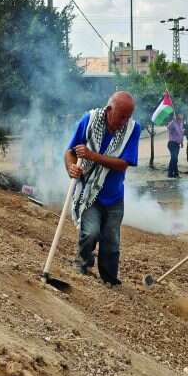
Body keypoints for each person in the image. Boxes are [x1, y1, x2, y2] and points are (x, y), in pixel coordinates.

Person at [65, 92, 140, 286]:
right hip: (89, 193)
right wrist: (71, 168)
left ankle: (109, 279)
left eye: (128, 116)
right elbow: (70, 152)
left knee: (111, 241)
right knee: (90, 233)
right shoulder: (89, 121)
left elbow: (123, 164)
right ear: (108, 110)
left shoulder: (133, 129)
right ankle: (82, 264)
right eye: (121, 116)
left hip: (114, 196)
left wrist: (92, 155)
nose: (124, 121)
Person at [166, 112, 184, 178]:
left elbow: (181, 134)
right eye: (181, 114)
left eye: (182, 115)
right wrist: (173, 121)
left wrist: (182, 143)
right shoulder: (173, 123)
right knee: (174, 158)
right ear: (177, 115)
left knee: (174, 159)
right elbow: (168, 127)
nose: (182, 116)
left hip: (177, 144)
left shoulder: (181, 124)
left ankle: (173, 174)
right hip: (172, 144)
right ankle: (173, 174)